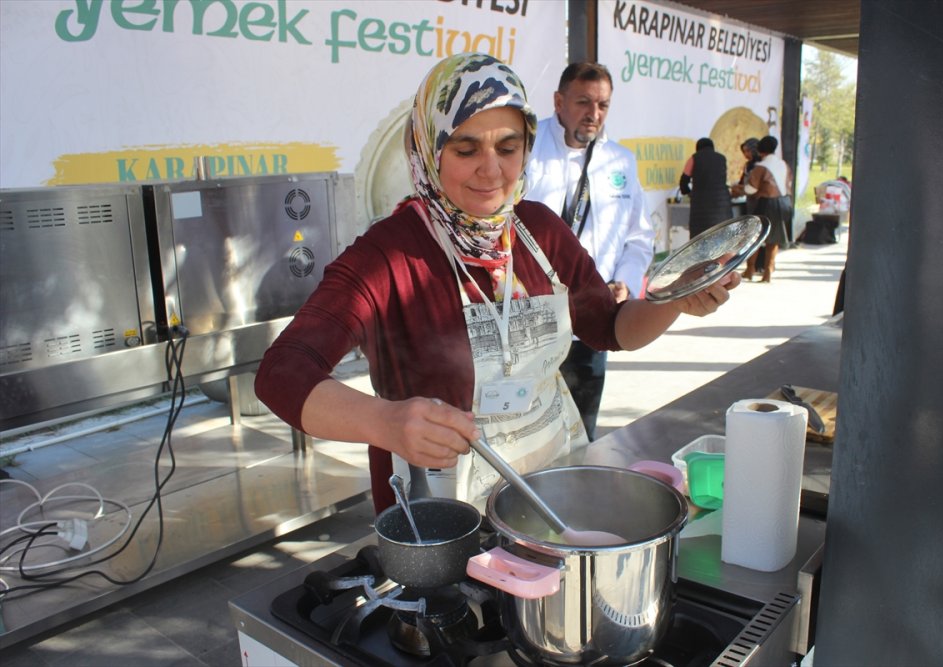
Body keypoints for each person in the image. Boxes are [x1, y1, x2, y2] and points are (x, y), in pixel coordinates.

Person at [254, 53, 740, 514]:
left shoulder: (539, 231)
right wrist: (385, 423)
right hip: (444, 520)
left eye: (508, 148)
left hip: (552, 490)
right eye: (466, 149)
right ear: (428, 148)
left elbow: (611, 328)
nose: (492, 170)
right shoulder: (388, 256)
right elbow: (283, 373)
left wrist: (675, 299)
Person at [522, 62, 653, 441]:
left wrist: (624, 283)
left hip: (590, 318)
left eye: (603, 105)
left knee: (581, 430)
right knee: (524, 429)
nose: (594, 114)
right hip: (530, 320)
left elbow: (639, 238)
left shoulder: (620, 161)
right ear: (559, 102)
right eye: (583, 102)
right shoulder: (526, 149)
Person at [737, 135, 791, 283]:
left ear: (760, 150)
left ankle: (750, 269)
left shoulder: (761, 167)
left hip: (766, 204)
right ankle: (768, 271)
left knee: (756, 238)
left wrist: (740, 189)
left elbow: (750, 189)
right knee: (774, 240)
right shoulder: (783, 164)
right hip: (784, 203)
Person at [678, 137, 731, 238]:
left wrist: (689, 193)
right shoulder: (722, 158)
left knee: (700, 239)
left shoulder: (694, 158)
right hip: (722, 207)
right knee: (722, 237)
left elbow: (683, 182)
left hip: (701, 207)